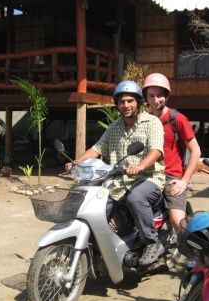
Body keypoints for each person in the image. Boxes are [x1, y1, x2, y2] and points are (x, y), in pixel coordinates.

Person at [65, 80, 166, 265]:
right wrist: (76, 162)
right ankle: (103, 248)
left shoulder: (152, 122)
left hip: (149, 178)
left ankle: (153, 243)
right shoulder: (115, 126)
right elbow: (97, 148)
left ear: (138, 102)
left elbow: (156, 151)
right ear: (117, 104)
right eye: (121, 101)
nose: (126, 105)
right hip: (119, 181)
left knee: (135, 198)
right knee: (96, 208)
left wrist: (141, 165)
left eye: (130, 101)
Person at [142, 73, 201, 231]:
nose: (155, 100)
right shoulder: (144, 120)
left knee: (178, 222)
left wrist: (185, 181)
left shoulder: (178, 119)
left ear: (166, 95)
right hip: (148, 174)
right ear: (146, 97)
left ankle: (193, 251)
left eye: (160, 95)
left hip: (171, 176)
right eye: (151, 96)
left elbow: (195, 151)